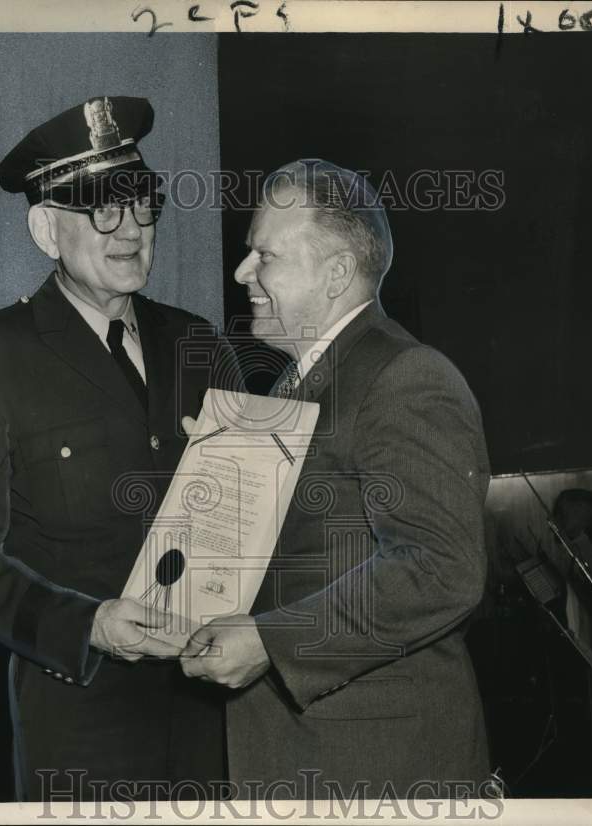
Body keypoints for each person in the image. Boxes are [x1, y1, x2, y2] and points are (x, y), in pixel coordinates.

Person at [0, 95, 241, 802]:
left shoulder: (198, 343)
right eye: (100, 207)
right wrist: (84, 624)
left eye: (142, 202)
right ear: (45, 229)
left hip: (214, 718)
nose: (129, 229)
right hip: (84, 728)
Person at [180, 159, 492, 799]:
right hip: (306, 755)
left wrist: (271, 640)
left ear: (336, 275)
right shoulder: (294, 387)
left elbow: (442, 568)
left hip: (374, 768)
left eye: (264, 256)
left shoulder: (404, 377)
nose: (243, 273)